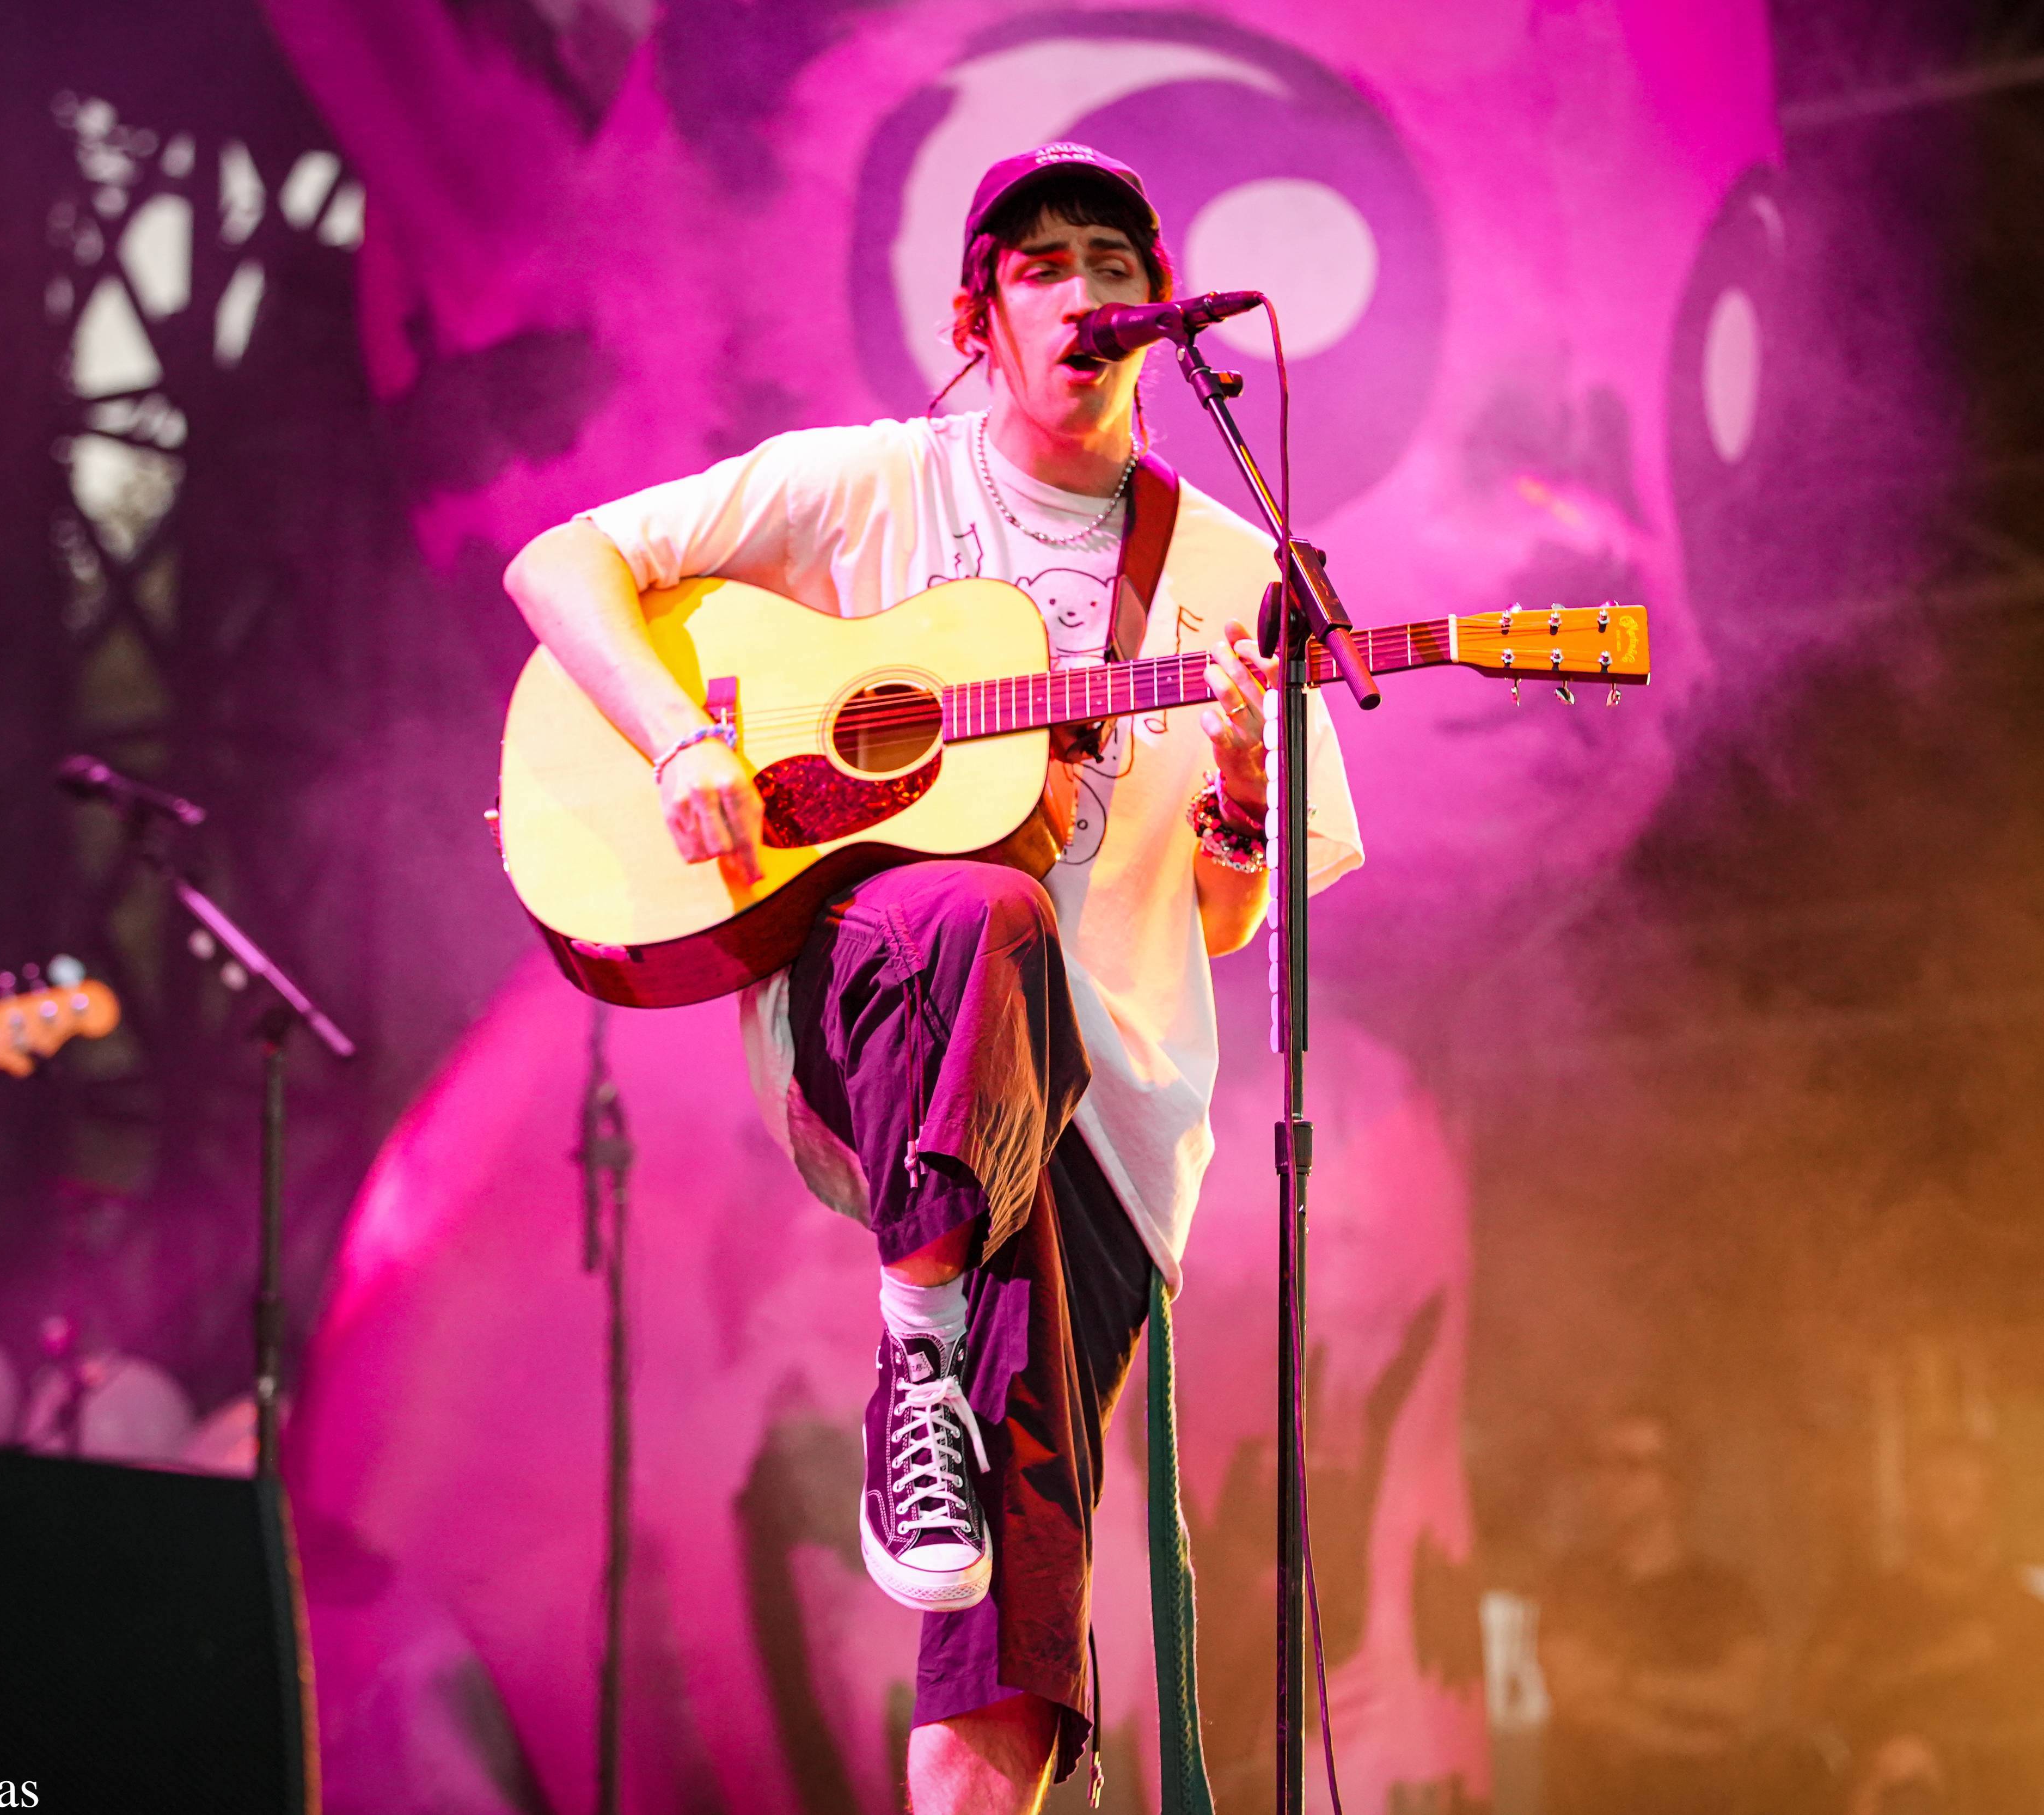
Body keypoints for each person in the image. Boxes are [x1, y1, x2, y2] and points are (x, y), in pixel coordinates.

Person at [502, 144, 1361, 1815]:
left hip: (1097, 1106)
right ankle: (917, 1329)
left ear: (1160, 311)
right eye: (1039, 265)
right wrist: (683, 733)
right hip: (874, 1006)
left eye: (1112, 259)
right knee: (979, 910)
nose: (1084, 288)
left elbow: (1227, 925)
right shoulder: (864, 486)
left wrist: (1245, 800)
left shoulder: (1221, 572)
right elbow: (558, 565)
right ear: (977, 318)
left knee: (1014, 1569)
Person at [1798, 1439, 2044, 1814]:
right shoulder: (1864, 1604)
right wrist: (1929, 1663)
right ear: (1912, 1503)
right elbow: (1814, 1697)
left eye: (1966, 1494)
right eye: (1937, 1491)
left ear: (1991, 1507)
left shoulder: (2025, 1612)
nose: (1949, 1507)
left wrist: (1983, 1744)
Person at [1535, 1408, 1771, 1815]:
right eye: (1601, 1463)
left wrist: (1621, 1679)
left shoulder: (1728, 1594)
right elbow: (1575, 1694)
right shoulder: (1572, 1583)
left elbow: (1739, 1695)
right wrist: (1692, 1742)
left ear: (1677, 1482)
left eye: (1630, 1465)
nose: (1608, 1480)